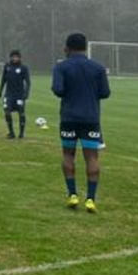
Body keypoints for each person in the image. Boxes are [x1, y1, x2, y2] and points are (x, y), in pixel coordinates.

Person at [52, 32, 110, 213]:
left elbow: (58, 90)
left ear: (67, 48)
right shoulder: (98, 68)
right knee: (92, 157)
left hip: (69, 117)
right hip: (91, 118)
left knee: (68, 155)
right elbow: (105, 93)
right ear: (85, 47)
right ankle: (91, 199)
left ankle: (72, 195)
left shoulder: (61, 67)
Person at [0, 50, 31, 139]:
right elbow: (3, 79)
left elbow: (28, 82)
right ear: (11, 58)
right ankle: (11, 133)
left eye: (16, 57)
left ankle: (21, 133)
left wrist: (26, 93)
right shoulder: (7, 67)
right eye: (13, 57)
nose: (14, 58)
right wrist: (0, 90)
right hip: (9, 94)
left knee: (21, 113)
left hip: (19, 95)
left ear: (20, 58)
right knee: (7, 112)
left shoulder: (24, 68)